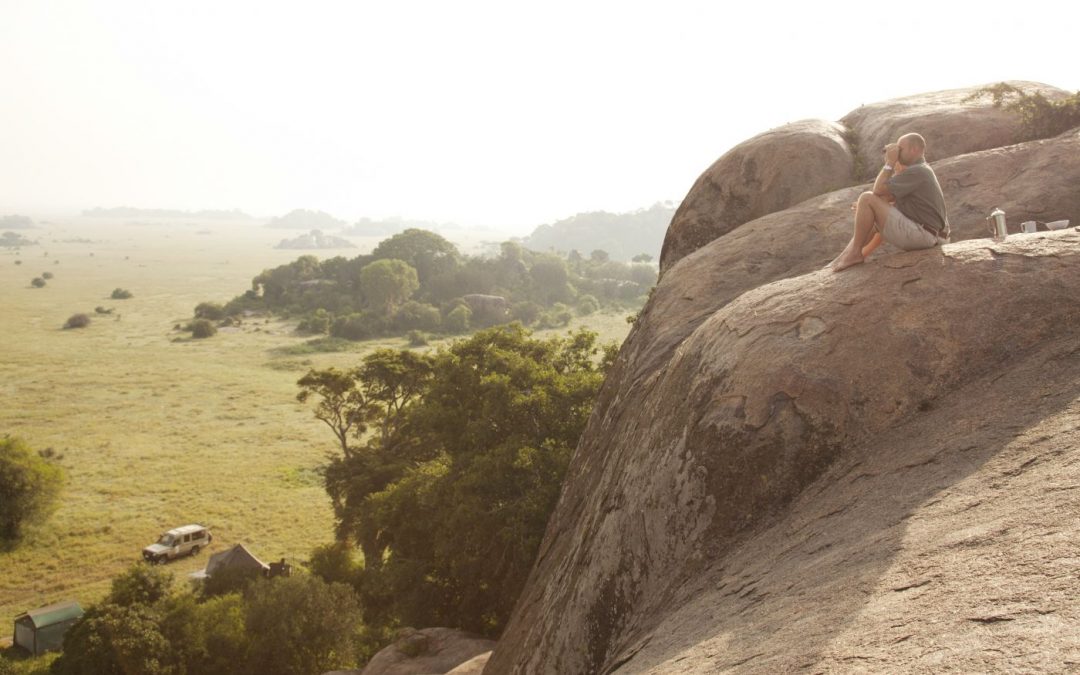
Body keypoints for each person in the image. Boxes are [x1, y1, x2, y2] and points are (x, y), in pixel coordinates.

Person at [830, 132, 950, 272]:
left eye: (900, 148)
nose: (897, 152)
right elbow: (885, 199)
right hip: (931, 235)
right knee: (871, 211)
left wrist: (889, 163)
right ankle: (847, 256)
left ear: (914, 150)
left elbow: (878, 190)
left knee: (866, 198)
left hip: (926, 236)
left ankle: (854, 253)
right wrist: (865, 212)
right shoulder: (920, 170)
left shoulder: (918, 171)